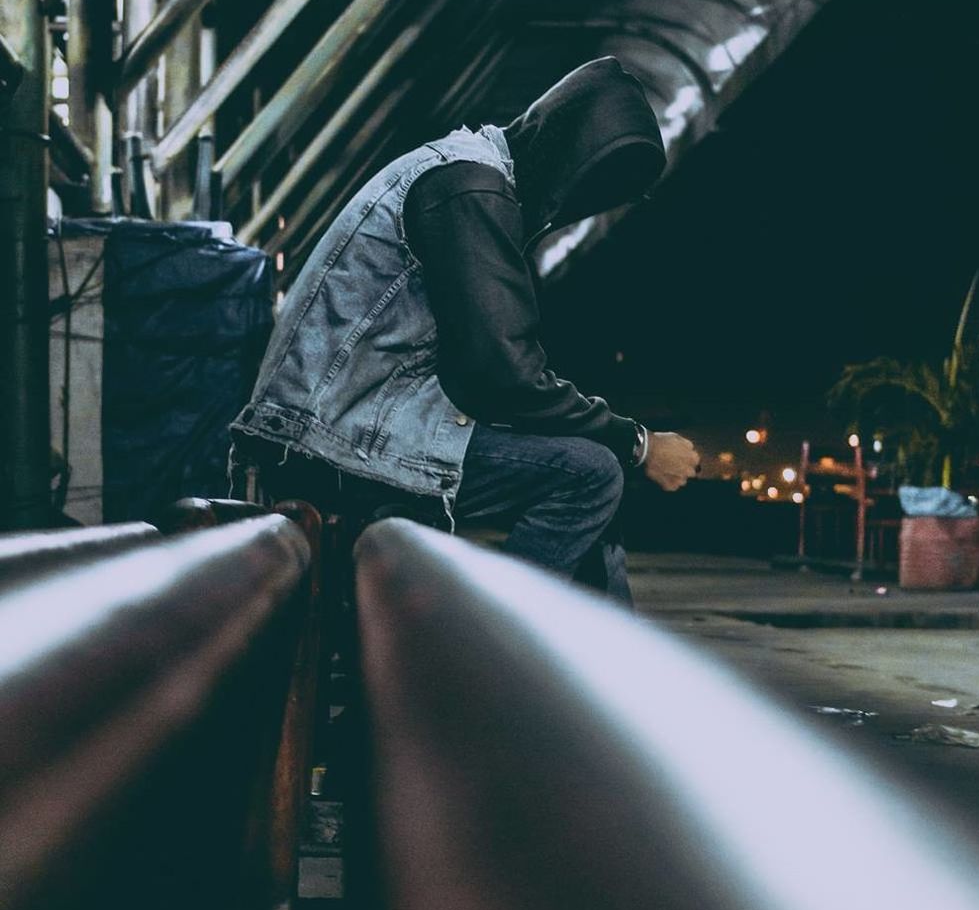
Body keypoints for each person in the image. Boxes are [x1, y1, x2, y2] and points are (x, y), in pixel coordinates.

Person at [231, 57, 699, 603]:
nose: (571, 210)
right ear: (569, 155)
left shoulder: (465, 172)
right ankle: (495, 655)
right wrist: (637, 442)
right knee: (589, 472)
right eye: (587, 189)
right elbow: (501, 372)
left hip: (332, 429)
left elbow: (485, 370)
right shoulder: (473, 189)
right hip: (330, 443)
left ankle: (598, 658)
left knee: (585, 459)